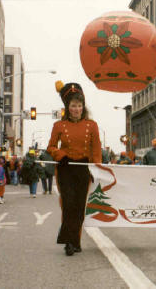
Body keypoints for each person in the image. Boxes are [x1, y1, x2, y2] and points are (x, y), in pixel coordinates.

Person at [47, 81, 102, 256]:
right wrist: (60, 155)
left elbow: (96, 149)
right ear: (67, 107)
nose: (76, 109)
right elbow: (51, 147)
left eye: (79, 105)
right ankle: (68, 243)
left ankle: (75, 241)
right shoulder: (59, 126)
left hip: (83, 168)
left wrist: (96, 169)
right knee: (68, 204)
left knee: (79, 206)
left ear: (83, 107)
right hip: (66, 168)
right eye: (73, 105)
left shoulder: (91, 125)